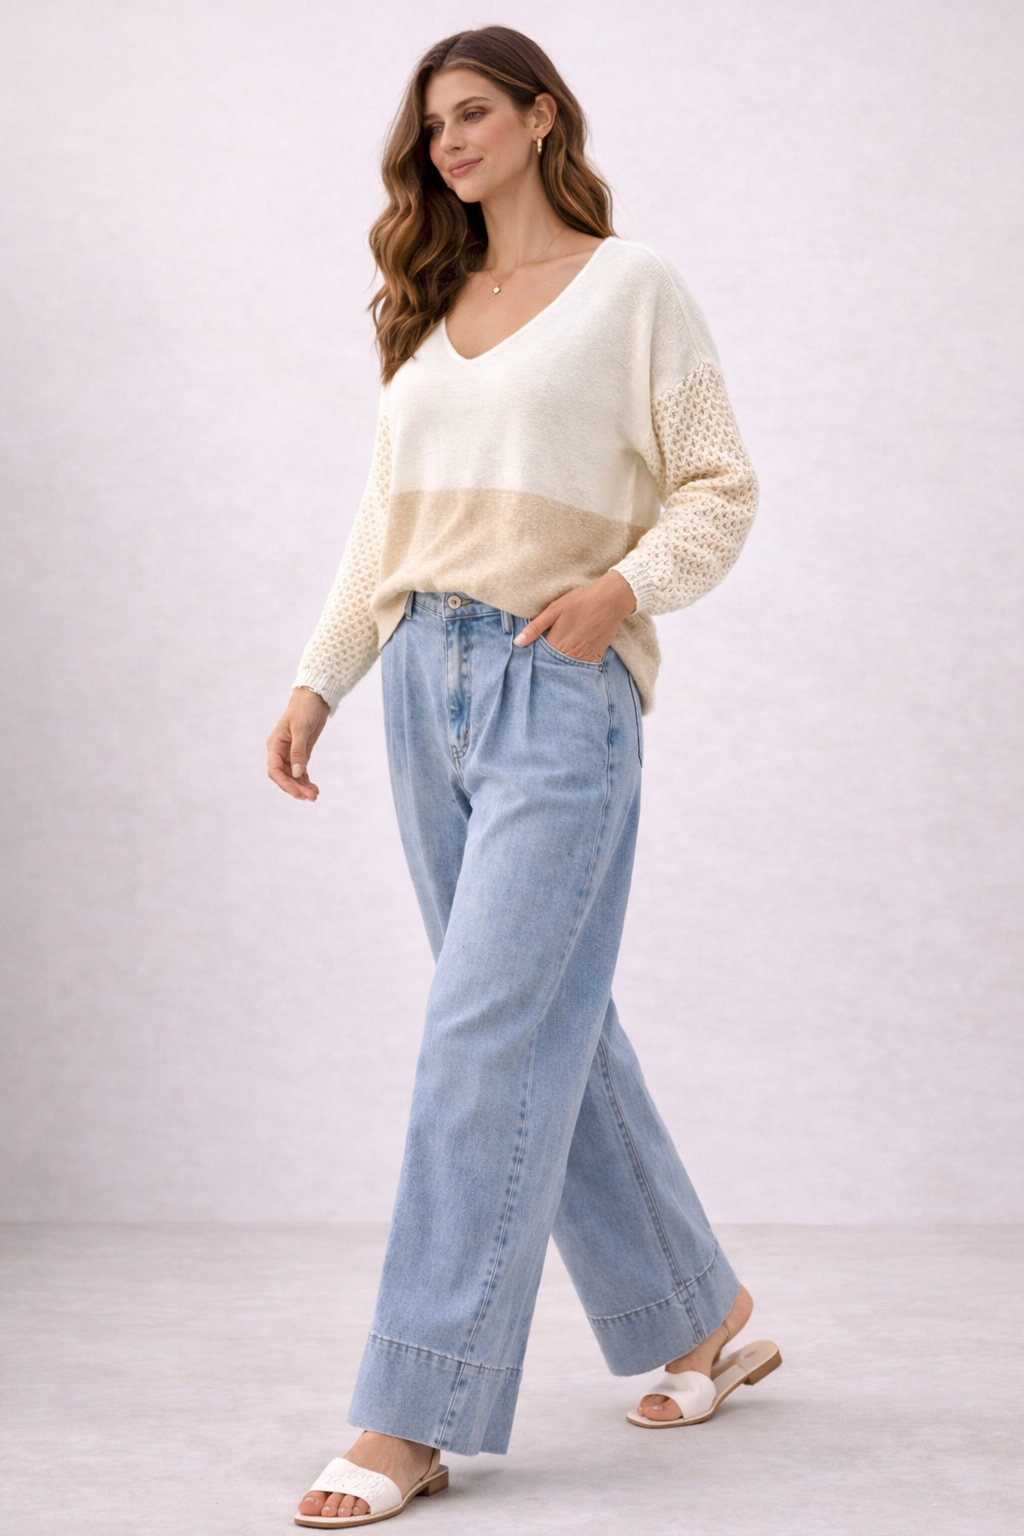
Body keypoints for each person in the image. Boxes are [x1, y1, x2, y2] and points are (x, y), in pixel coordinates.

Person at [266, 24, 779, 1530]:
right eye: (433, 125)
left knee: (481, 1038)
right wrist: (319, 677)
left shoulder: (633, 288)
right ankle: (700, 1311)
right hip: (418, 681)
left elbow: (720, 484)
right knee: (543, 1021)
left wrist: (623, 590)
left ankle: (411, 1411)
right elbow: (383, 524)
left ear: (544, 118)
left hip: (558, 690)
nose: (450, 143)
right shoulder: (431, 306)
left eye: (476, 112)